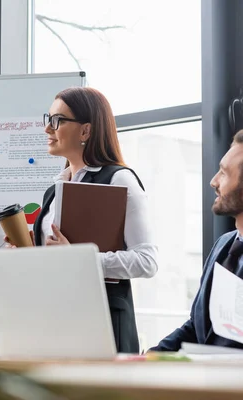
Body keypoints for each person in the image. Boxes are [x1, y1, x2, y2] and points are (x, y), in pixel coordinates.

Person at [16, 87, 158, 353]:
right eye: (48, 119)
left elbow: (147, 262)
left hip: (102, 325)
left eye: (57, 121)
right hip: (53, 322)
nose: (48, 129)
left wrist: (81, 259)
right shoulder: (54, 190)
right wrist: (26, 251)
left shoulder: (119, 180)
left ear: (86, 131)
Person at [150, 130, 243, 352]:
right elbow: (197, 326)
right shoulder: (224, 244)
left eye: (224, 173)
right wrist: (150, 359)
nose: (213, 181)